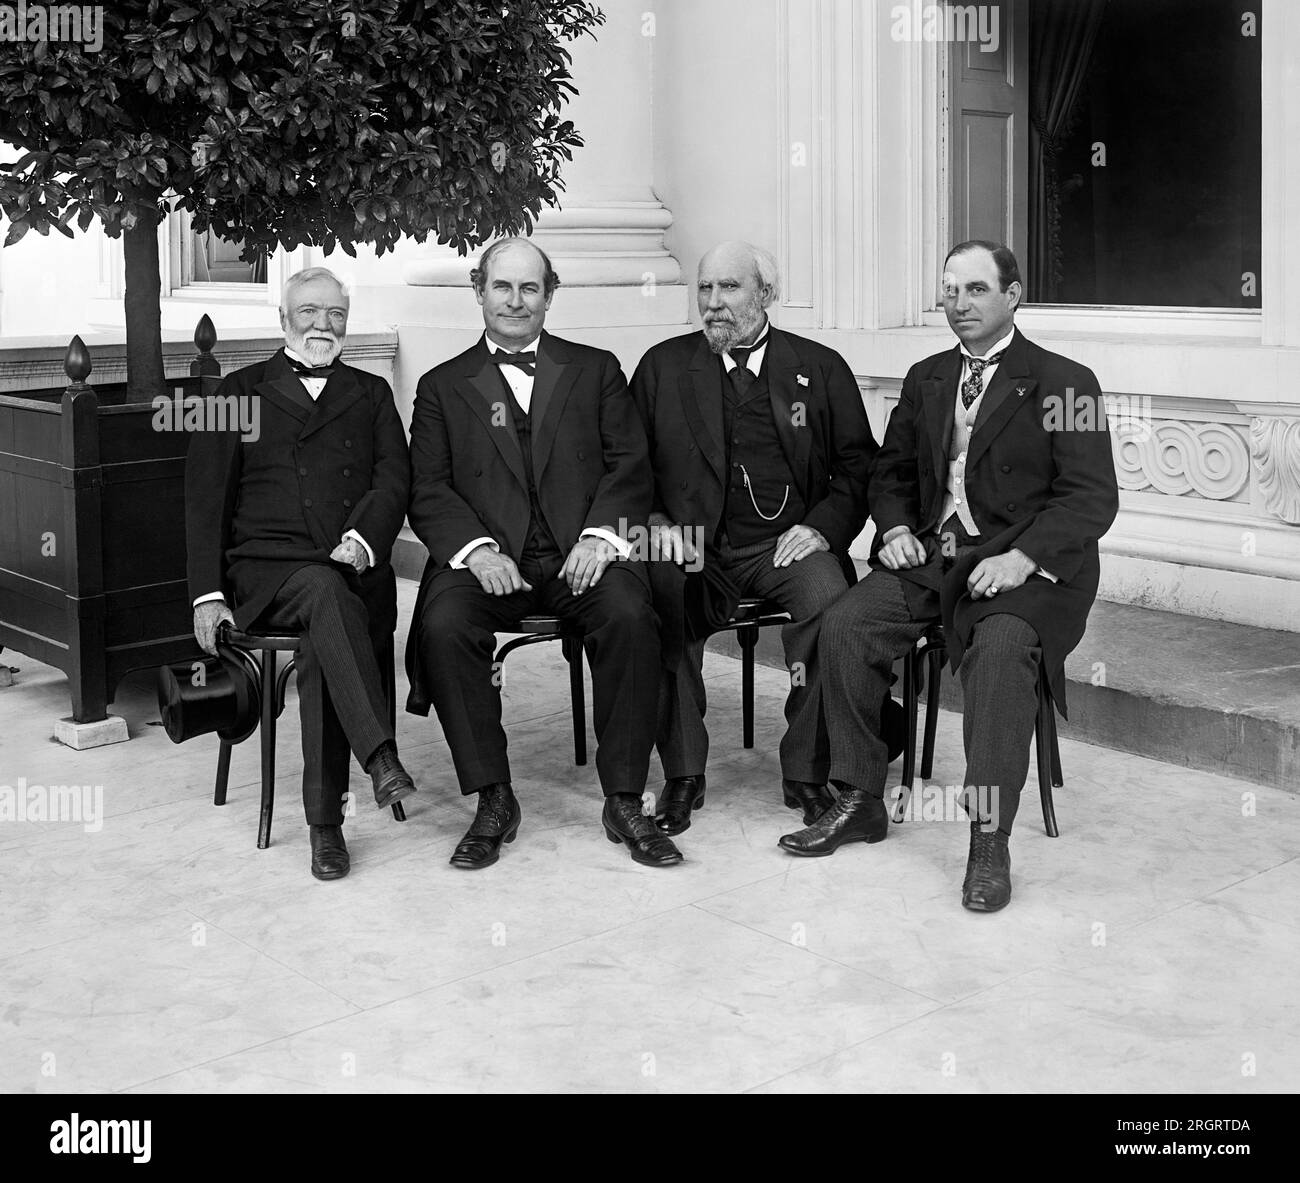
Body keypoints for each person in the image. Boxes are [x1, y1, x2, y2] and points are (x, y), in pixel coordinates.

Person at [781, 240, 1119, 912]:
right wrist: (899, 528)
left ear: (1013, 295)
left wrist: (1021, 557)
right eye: (949, 291)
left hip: (1032, 570)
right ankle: (859, 797)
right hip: (938, 558)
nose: (958, 304)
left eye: (975, 290)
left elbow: (1090, 497)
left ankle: (989, 841)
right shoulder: (927, 377)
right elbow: (892, 472)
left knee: (997, 652)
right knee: (846, 621)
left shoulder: (1065, 382)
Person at [405, 238, 679, 870]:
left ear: (550, 296)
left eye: (530, 289)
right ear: (479, 292)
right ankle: (493, 797)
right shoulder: (441, 386)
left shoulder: (597, 369)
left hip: (576, 558)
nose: (515, 301)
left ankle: (625, 798)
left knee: (631, 617)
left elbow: (629, 464)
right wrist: (475, 552)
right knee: (444, 626)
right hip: (488, 563)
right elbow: (429, 486)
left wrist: (600, 538)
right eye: (502, 287)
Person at [630, 240, 883, 838]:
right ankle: (684, 772)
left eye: (730, 289)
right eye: (705, 290)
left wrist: (821, 529)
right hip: (690, 543)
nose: (714, 304)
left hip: (783, 546)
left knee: (829, 603)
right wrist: (659, 524)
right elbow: (626, 466)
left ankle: (806, 768)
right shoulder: (663, 367)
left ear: (765, 294)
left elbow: (857, 467)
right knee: (657, 599)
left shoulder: (818, 368)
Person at [186, 266, 416, 882]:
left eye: (335, 314)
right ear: (284, 319)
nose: (323, 324)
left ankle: (325, 825)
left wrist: (365, 538)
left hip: (348, 563)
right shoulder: (237, 391)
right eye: (310, 311)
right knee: (322, 593)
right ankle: (379, 756)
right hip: (268, 571)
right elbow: (205, 499)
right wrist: (207, 595)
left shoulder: (370, 394)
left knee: (329, 614)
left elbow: (394, 480)